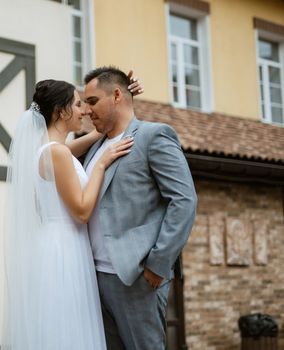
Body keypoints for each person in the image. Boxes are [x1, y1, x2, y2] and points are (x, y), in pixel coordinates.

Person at [1, 74, 142, 350]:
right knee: (68, 330)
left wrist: (123, 99)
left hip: (53, 245)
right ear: (60, 111)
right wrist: (101, 164)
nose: (85, 111)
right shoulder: (57, 154)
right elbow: (81, 211)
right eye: (78, 105)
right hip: (64, 249)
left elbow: (83, 142)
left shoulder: (46, 151)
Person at [82, 66, 198, 350]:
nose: (87, 111)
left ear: (117, 95)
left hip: (135, 278)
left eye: (93, 101)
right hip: (93, 277)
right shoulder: (94, 148)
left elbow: (184, 200)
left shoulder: (153, 136)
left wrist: (158, 264)